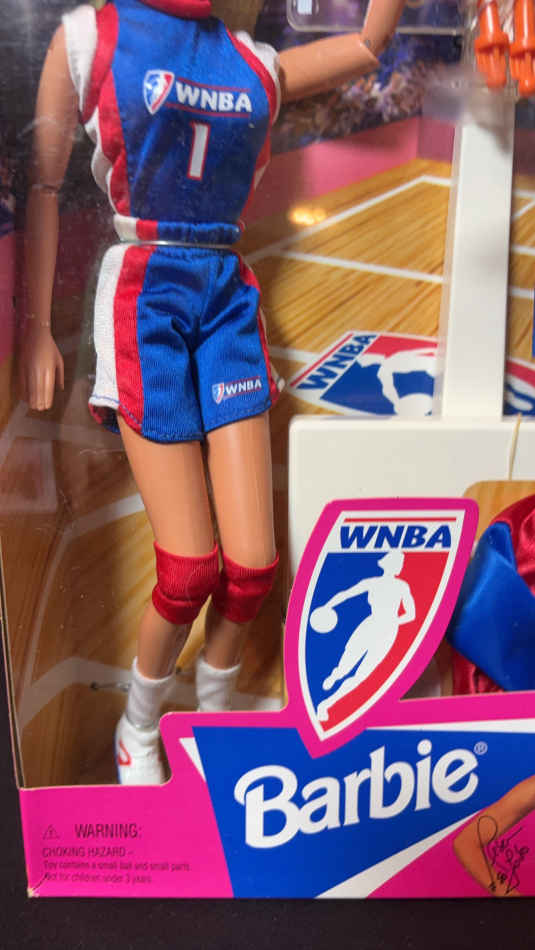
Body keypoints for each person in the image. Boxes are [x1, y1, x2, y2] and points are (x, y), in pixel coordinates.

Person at [19, 0, 406, 784]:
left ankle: (217, 712)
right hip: (145, 287)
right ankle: (137, 728)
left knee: (253, 567)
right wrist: (33, 328)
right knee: (188, 568)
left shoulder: (252, 62)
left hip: (225, 288)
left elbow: (368, 43)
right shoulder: (94, 36)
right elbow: (45, 184)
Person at [311, 550, 415, 722]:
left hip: (387, 633)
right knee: (345, 667)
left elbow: (412, 614)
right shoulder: (372, 583)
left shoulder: (402, 586)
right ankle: (335, 675)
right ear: (389, 565)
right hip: (369, 626)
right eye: (398, 562)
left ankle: (325, 705)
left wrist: (393, 622)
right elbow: (346, 594)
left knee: (361, 676)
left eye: (401, 563)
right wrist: (328, 606)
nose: (400, 566)